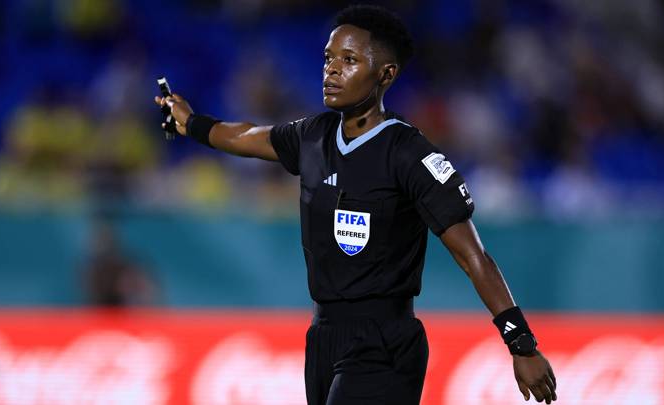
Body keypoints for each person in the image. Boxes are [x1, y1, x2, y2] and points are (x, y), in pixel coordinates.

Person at [155, 5, 557, 404]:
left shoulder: (409, 154)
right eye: (329, 58)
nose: (331, 70)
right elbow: (246, 136)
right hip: (324, 337)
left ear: (386, 74)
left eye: (349, 60)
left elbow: (474, 257)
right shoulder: (312, 136)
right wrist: (191, 123)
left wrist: (520, 342)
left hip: (385, 341)